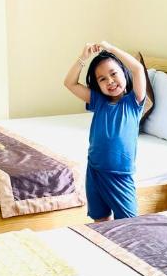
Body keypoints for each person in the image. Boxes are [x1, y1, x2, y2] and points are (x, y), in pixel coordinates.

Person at [63, 41, 147, 221]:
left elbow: (138, 69)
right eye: (102, 79)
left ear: (124, 72)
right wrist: (83, 58)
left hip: (120, 176)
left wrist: (111, 49)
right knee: (100, 222)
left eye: (113, 73)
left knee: (129, 224)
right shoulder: (98, 101)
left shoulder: (134, 102)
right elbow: (69, 83)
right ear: (97, 85)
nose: (110, 81)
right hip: (94, 171)